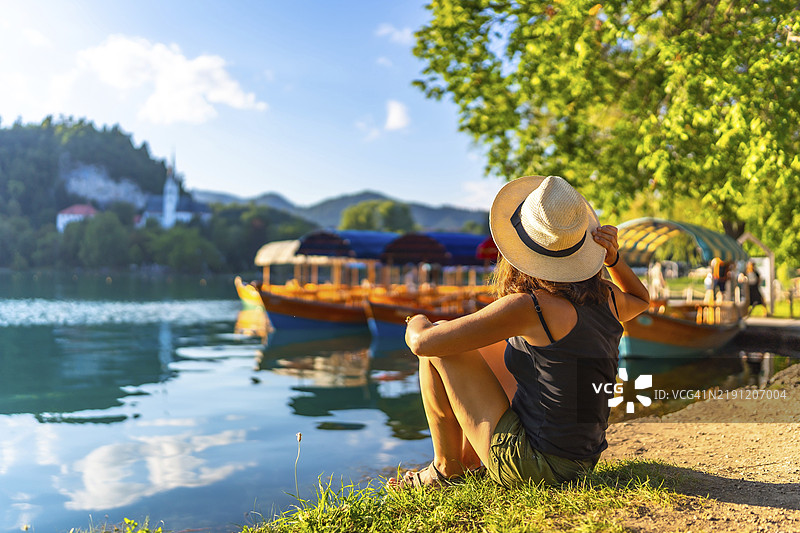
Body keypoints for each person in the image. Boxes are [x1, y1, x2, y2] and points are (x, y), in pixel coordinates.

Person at [387, 175, 650, 489]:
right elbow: (640, 299)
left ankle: (445, 469)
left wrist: (415, 319)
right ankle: (470, 461)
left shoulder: (531, 306)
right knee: (495, 349)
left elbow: (422, 343)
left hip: (537, 467)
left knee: (441, 340)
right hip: (581, 460)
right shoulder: (605, 296)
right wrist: (614, 259)